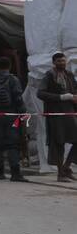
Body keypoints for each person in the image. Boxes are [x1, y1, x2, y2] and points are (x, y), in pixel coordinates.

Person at [37, 51, 77, 181]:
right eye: (59, 61)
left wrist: (74, 97)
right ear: (54, 63)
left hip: (69, 112)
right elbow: (40, 93)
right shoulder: (49, 76)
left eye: (63, 60)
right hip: (56, 114)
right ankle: (60, 174)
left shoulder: (69, 75)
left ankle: (66, 167)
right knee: (58, 143)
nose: (62, 63)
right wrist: (61, 97)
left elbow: (75, 91)